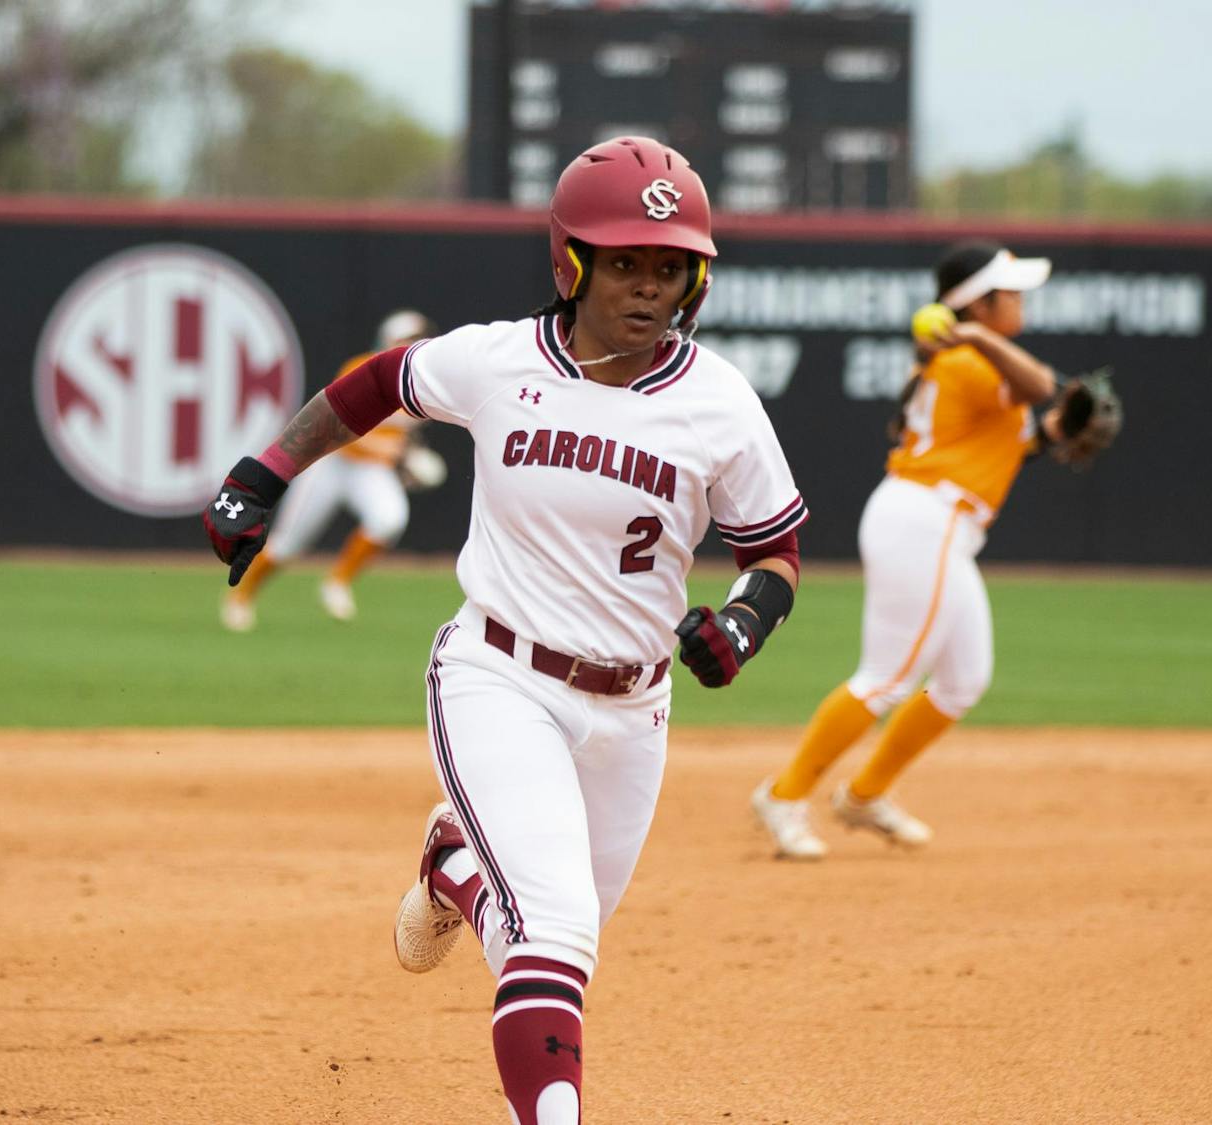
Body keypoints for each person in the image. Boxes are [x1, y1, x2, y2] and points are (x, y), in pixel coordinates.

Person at [202, 135, 808, 1124]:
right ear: (572, 262)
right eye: (625, 264)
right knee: (556, 929)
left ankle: (453, 869)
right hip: (498, 676)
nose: (648, 288)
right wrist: (265, 471)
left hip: (635, 710)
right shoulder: (497, 361)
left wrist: (744, 625)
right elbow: (376, 384)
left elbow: (776, 553)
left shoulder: (720, 404)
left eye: (668, 268)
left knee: (553, 931)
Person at [751, 240, 1068, 860]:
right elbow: (1042, 383)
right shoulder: (970, 360)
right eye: (1010, 291)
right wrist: (975, 340)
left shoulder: (964, 363)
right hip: (927, 519)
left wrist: (1051, 438)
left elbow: (1000, 441)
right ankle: (784, 796)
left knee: (961, 681)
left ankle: (865, 795)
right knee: (888, 679)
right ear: (978, 305)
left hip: (937, 521)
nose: (1022, 299)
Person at [219, 309, 445, 632]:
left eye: (418, 339)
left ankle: (336, 582)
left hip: (369, 472)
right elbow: (343, 435)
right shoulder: (362, 369)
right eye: (407, 339)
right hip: (331, 462)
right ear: (389, 340)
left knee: (390, 519)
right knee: (287, 545)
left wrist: (407, 460)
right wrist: (398, 458)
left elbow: (402, 439)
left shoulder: (422, 382)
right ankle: (241, 595)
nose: (414, 344)